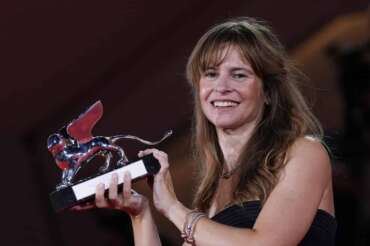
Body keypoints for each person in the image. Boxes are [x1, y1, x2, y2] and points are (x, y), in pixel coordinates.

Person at [74, 17, 336, 245]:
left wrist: (173, 207)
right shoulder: (211, 192)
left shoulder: (303, 154)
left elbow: (264, 243)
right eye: (210, 74)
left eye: (239, 75)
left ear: (267, 92)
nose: (221, 87)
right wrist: (140, 213)